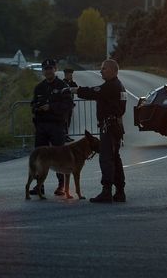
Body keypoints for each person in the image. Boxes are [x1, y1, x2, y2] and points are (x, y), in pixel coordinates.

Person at [71, 59, 126, 203]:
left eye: (104, 68)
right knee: (115, 159)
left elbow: (94, 92)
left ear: (113, 71)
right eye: (101, 68)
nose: (101, 71)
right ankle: (120, 191)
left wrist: (77, 90)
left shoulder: (111, 86)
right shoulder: (119, 86)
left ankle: (106, 191)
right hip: (115, 127)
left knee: (106, 159)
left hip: (109, 127)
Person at [30, 58, 72, 196]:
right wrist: (37, 108)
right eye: (46, 69)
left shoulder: (62, 86)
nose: (48, 71)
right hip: (42, 125)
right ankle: (39, 186)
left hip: (57, 125)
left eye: (50, 68)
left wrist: (51, 107)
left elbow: (68, 105)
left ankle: (61, 186)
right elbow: (33, 104)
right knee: (40, 157)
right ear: (43, 71)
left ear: (56, 69)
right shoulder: (39, 87)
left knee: (59, 156)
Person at [63, 68, 78, 142]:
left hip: (70, 105)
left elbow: (76, 87)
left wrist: (71, 81)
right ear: (66, 75)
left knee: (68, 121)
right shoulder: (63, 83)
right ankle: (64, 136)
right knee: (65, 121)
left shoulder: (71, 82)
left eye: (71, 75)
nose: (71, 76)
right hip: (65, 105)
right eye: (70, 75)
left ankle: (67, 135)